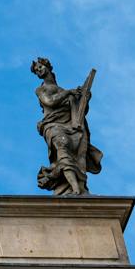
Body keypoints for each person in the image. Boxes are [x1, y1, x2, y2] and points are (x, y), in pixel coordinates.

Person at [33, 57, 101, 195]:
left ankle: (81, 189)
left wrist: (84, 98)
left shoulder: (61, 89)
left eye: (40, 67)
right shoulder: (41, 90)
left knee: (78, 155)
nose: (39, 71)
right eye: (36, 70)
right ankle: (74, 188)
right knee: (62, 148)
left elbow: (77, 109)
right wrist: (69, 93)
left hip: (73, 125)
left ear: (48, 66)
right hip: (53, 125)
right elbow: (50, 102)